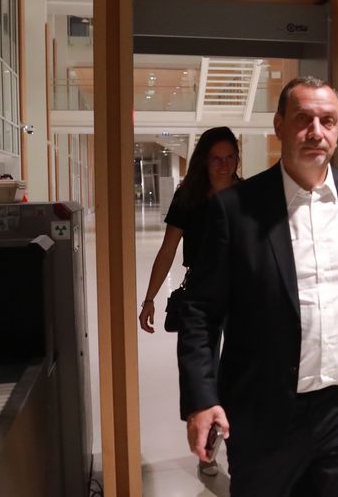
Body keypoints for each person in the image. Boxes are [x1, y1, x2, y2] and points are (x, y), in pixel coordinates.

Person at [177, 76, 338, 497]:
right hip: (265, 415)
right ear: (279, 125)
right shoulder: (235, 209)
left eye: (328, 121)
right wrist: (201, 399)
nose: (316, 131)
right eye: (303, 119)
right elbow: (200, 311)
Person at [139, 126, 241, 477]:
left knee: (239, 374)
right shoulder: (189, 197)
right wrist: (149, 299)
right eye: (216, 159)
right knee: (201, 376)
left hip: (241, 294)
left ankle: (238, 448)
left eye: (230, 157)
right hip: (200, 294)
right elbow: (168, 249)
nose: (224, 165)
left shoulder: (247, 195)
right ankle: (206, 451)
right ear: (204, 161)